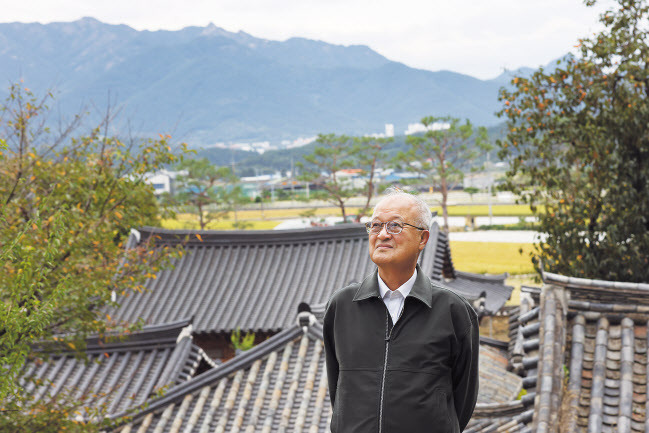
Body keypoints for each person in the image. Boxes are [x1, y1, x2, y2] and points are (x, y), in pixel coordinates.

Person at [323, 188, 479, 433]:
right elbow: (338, 388)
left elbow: (463, 400)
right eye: (375, 226)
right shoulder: (342, 306)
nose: (382, 234)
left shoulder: (452, 310)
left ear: (422, 239)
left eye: (395, 226)